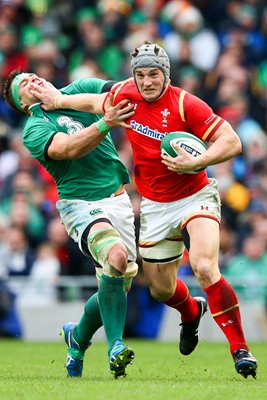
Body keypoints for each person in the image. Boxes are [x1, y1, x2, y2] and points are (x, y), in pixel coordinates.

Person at [29, 41, 259, 379]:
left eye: (154, 74)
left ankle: (240, 350)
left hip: (195, 196)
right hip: (154, 205)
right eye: (141, 74)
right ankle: (192, 310)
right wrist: (60, 101)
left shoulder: (185, 103)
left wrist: (198, 161)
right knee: (160, 289)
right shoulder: (127, 94)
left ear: (165, 74)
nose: (147, 81)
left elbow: (231, 141)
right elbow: (96, 102)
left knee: (204, 266)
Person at [3, 70, 139, 379]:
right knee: (115, 258)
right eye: (23, 84)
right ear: (22, 104)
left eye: (32, 75)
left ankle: (77, 338)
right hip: (81, 205)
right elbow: (68, 148)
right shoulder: (34, 128)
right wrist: (105, 121)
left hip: (119, 201)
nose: (32, 80)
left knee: (117, 283)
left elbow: (116, 94)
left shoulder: (78, 90)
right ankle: (116, 346)